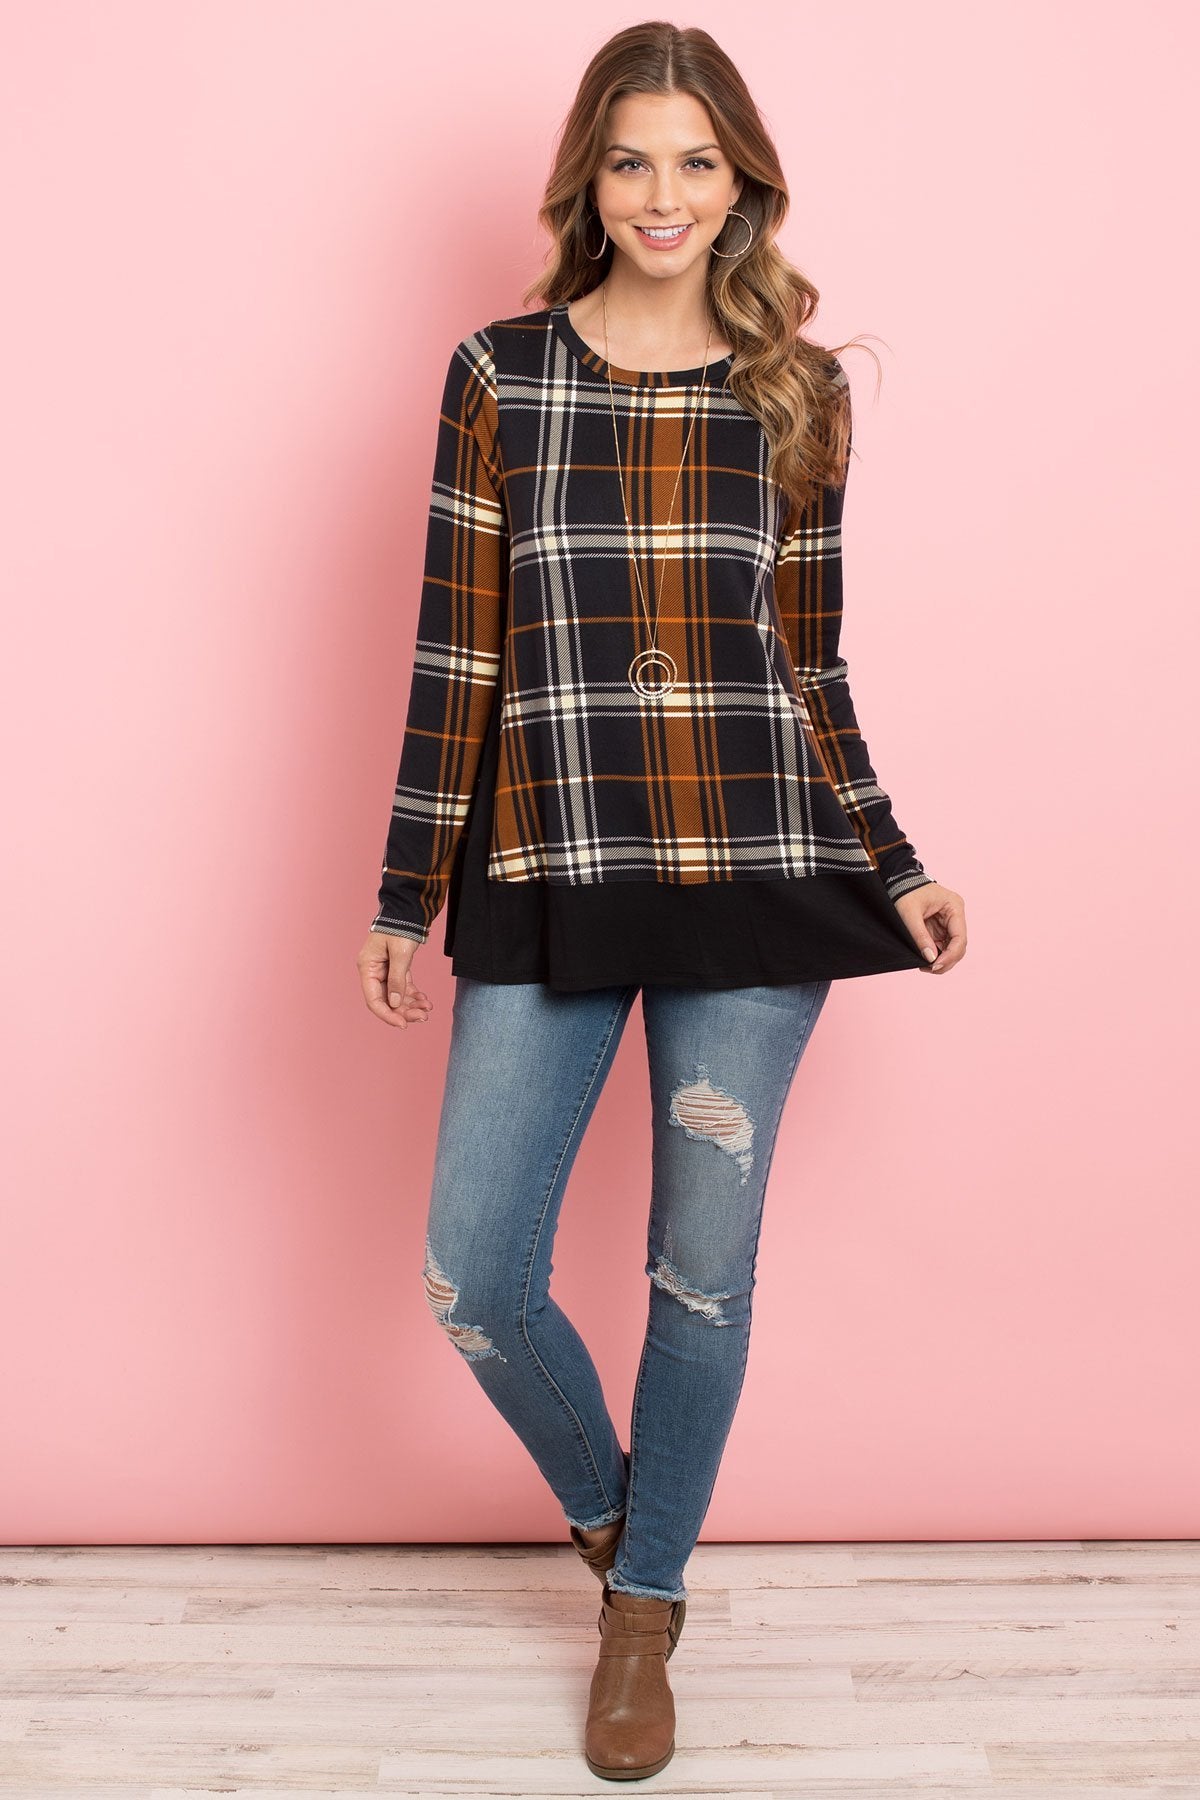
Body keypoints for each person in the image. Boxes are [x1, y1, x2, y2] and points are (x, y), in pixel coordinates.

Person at [356, 21, 967, 1782]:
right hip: (549, 868)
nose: (663, 195)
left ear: (743, 183)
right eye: (632, 159)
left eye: (698, 161)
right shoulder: (499, 375)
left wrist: (898, 860)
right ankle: (629, 1525)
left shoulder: (798, 392)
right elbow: (459, 652)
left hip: (760, 876)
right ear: (588, 179)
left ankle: (644, 1614)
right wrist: (403, 890)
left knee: (700, 1279)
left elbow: (812, 665)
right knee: (476, 1273)